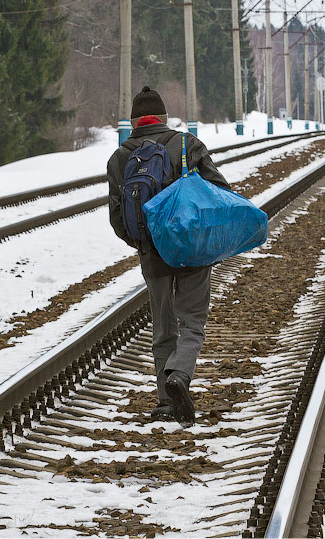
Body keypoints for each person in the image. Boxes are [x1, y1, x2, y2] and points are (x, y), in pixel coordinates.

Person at [106, 87, 230, 427]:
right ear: (163, 117)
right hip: (192, 249)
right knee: (192, 322)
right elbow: (221, 191)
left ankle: (165, 400)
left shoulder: (120, 157)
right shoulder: (187, 145)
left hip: (153, 253)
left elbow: (118, 217)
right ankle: (180, 375)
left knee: (163, 327)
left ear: (134, 122)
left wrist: (144, 242)